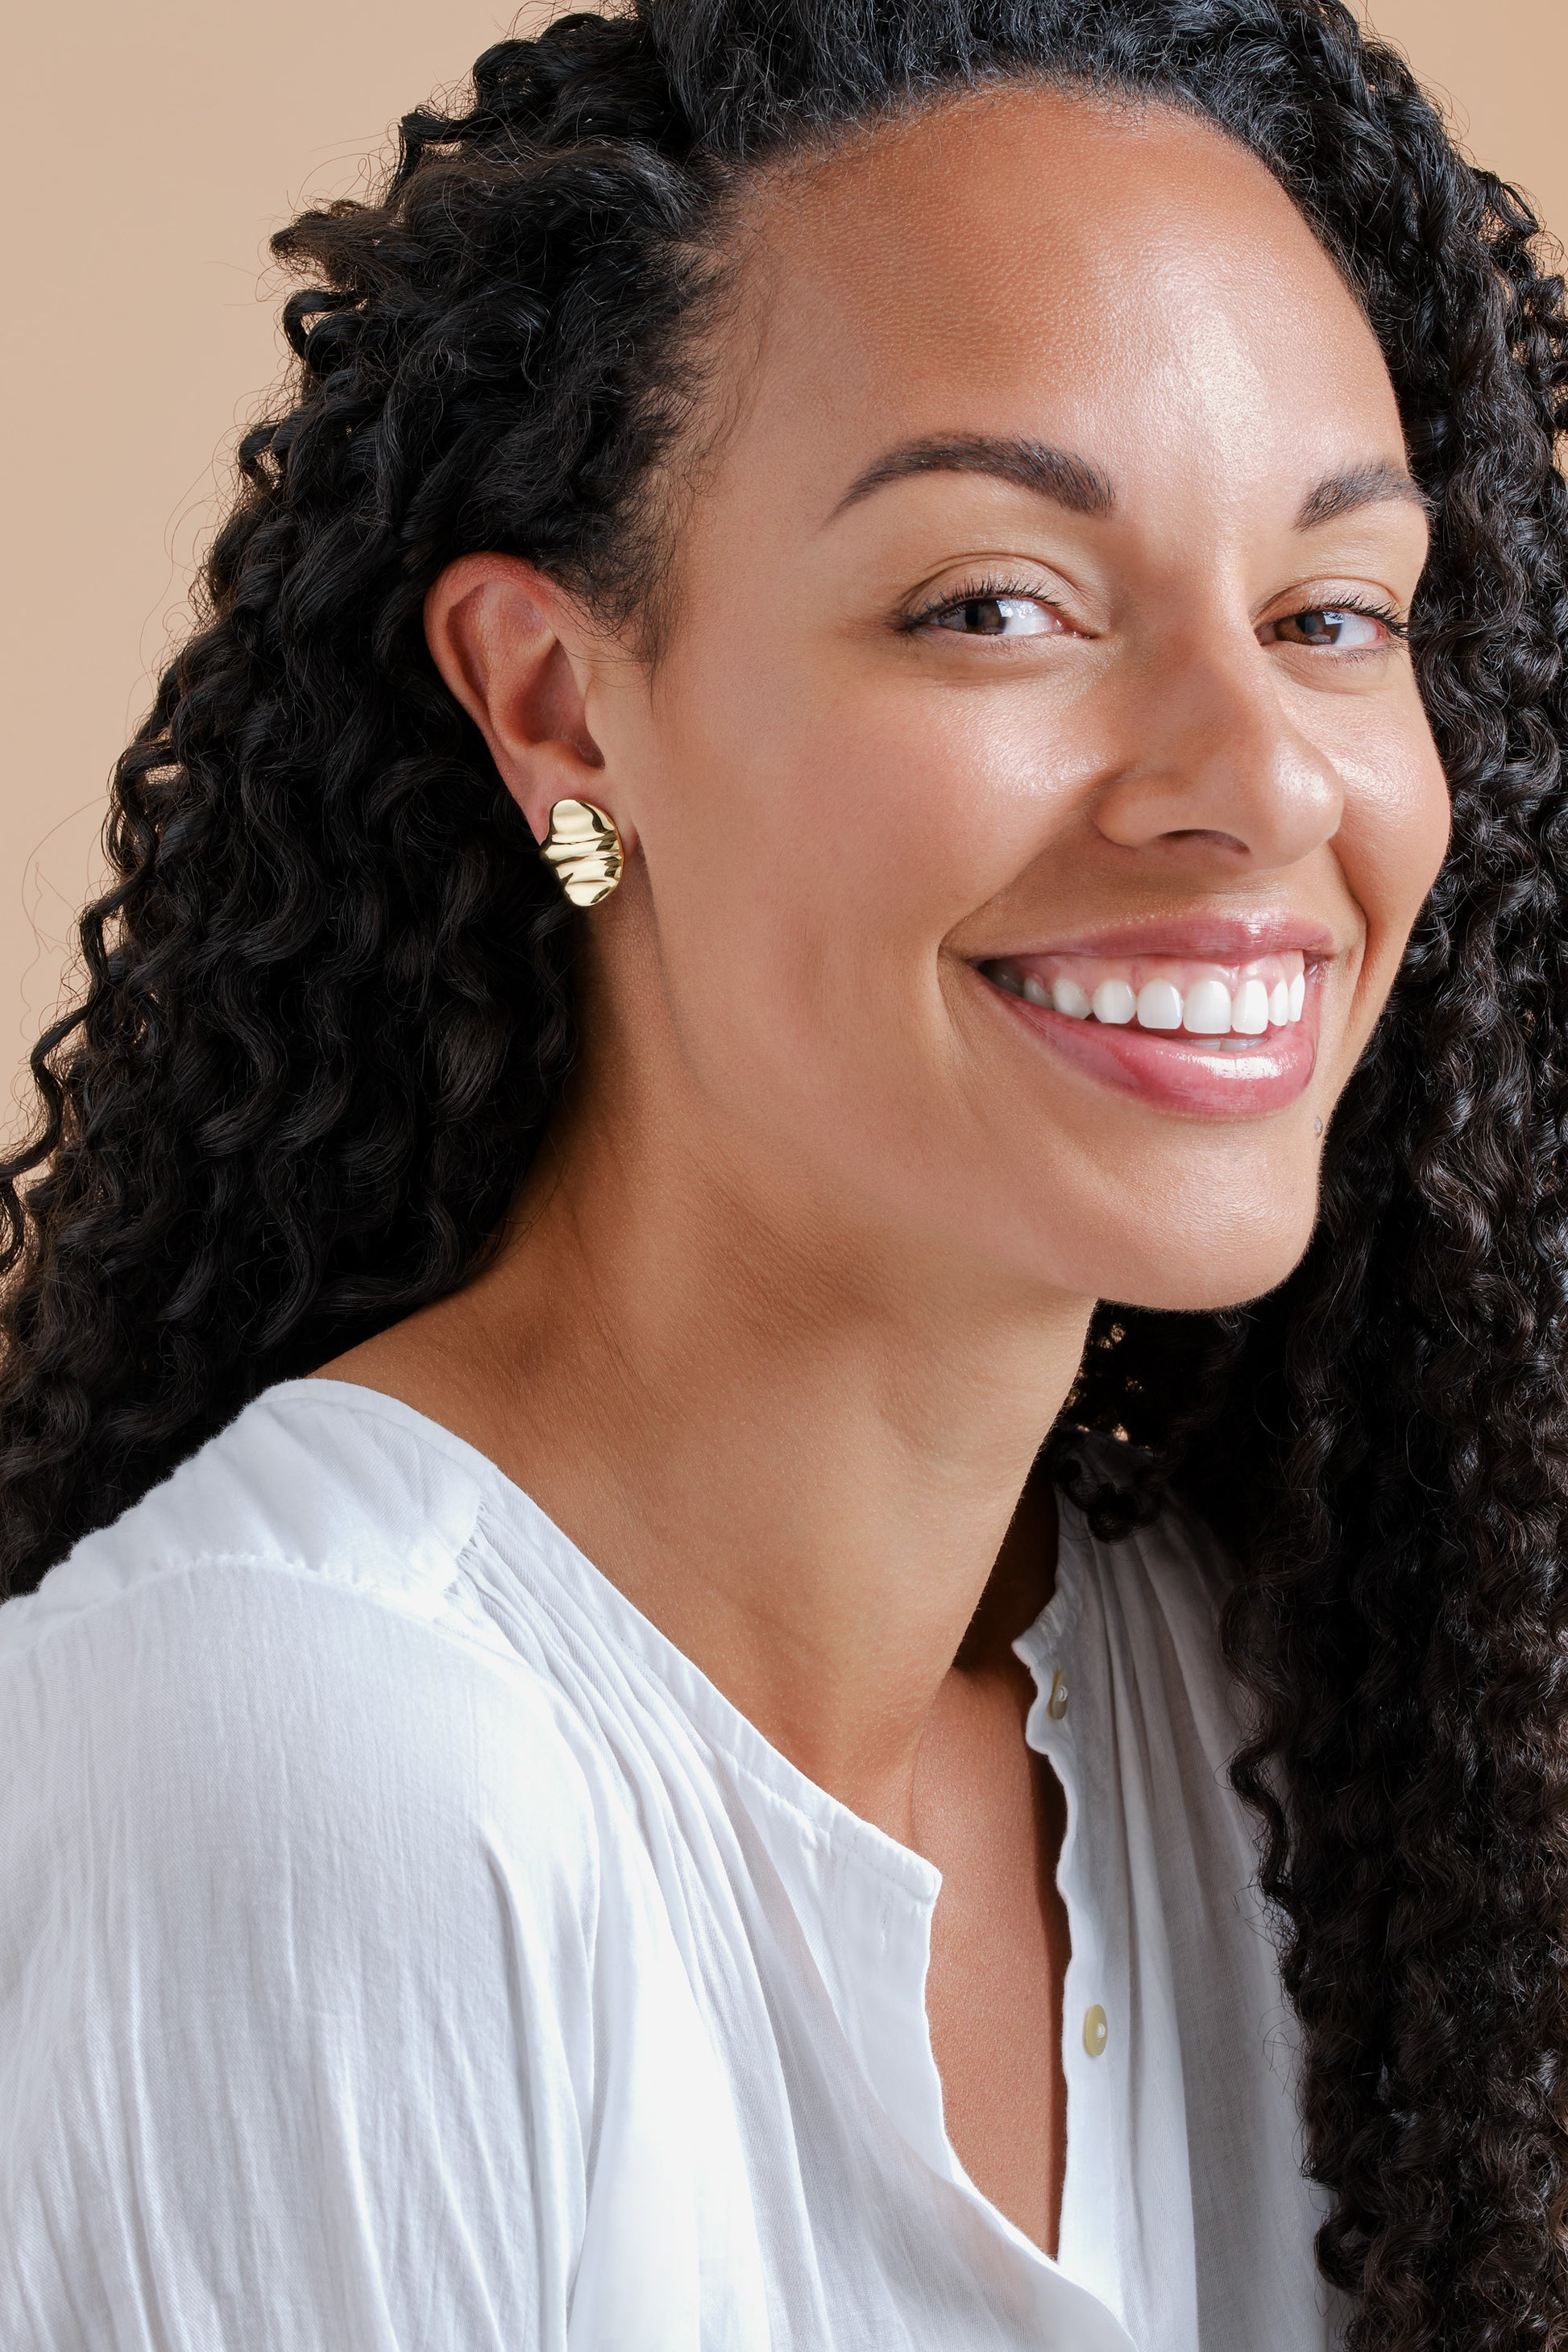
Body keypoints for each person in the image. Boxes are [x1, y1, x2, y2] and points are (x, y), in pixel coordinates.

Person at [2, 0, 1564, 2344]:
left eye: (1330, 616)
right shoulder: (301, 1779)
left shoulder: (1272, 1715)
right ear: (559, 707)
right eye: (992, 603)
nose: (1253, 783)